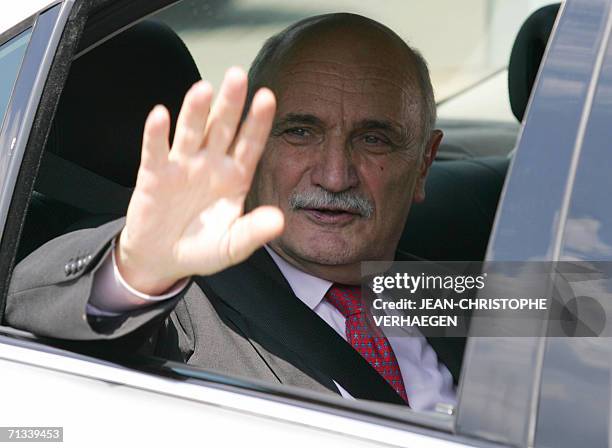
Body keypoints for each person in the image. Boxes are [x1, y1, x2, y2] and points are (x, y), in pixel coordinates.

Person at [6, 13, 460, 410]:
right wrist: (134, 271)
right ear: (252, 142)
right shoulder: (181, 294)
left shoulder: (468, 293)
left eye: (373, 139)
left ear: (423, 163)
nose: (335, 176)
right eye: (300, 132)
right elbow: (43, 304)